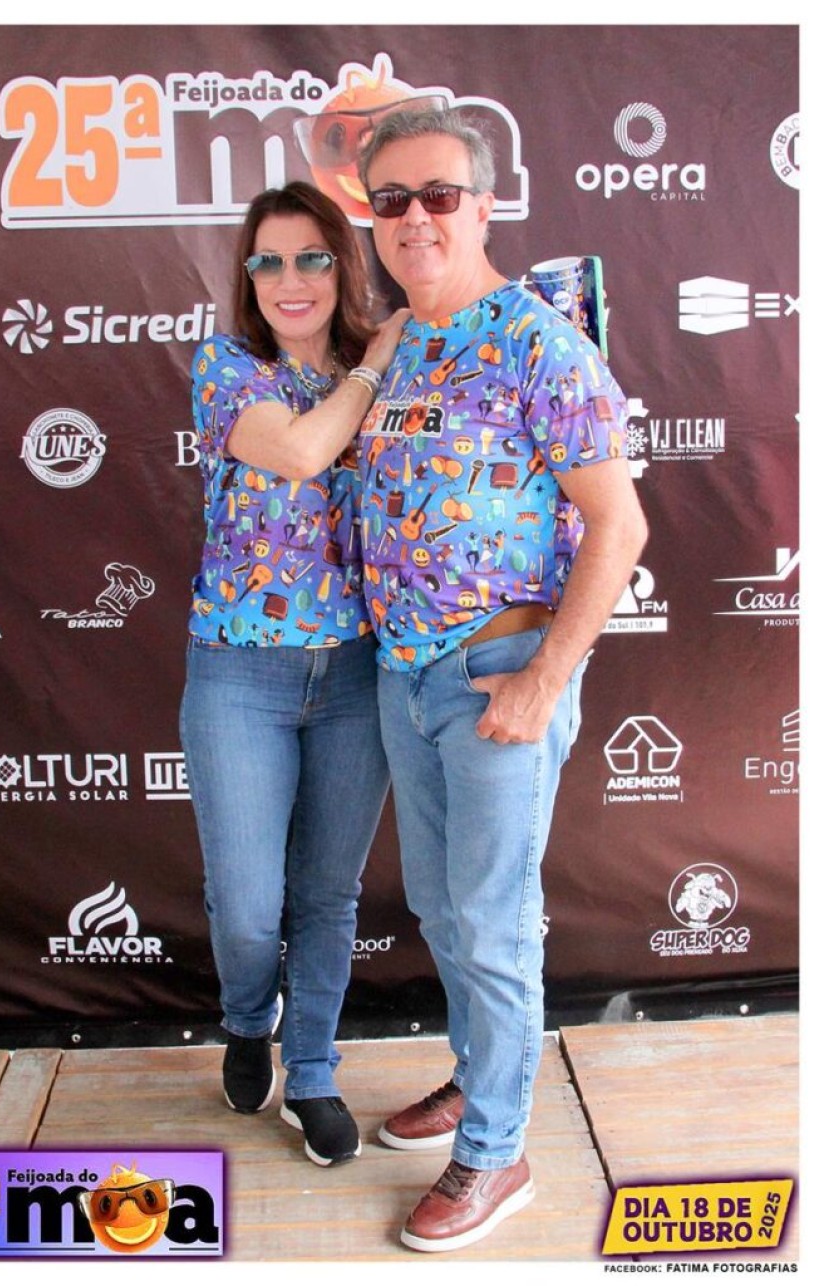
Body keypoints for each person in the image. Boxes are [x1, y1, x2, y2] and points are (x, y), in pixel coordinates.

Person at [355, 108, 648, 1250]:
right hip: (406, 672)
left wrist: (543, 681)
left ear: (484, 205)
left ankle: (497, 1151)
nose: (415, 218)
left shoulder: (539, 343)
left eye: (439, 195)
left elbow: (619, 527)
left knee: (492, 918)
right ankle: (483, 1079)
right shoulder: (398, 344)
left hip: (499, 673)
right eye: (391, 200)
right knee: (445, 909)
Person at [180, 181, 408, 1168]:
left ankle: (311, 1070)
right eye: (267, 259)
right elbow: (304, 450)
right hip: (240, 674)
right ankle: (246, 1018)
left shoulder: (393, 372)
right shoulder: (230, 367)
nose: (290, 278)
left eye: (312, 255)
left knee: (326, 893)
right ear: (248, 276)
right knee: (246, 905)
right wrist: (375, 369)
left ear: (343, 266)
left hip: (357, 673)